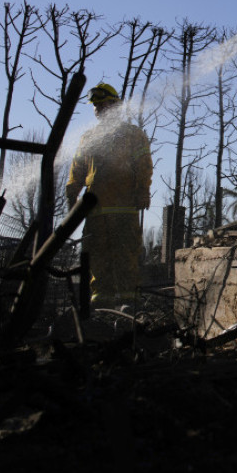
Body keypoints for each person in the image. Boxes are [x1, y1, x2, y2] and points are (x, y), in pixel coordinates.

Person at [65, 83, 153, 307]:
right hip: (95, 210)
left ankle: (128, 306)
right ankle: (100, 305)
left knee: (126, 257)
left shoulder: (132, 134)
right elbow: (77, 168)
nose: (97, 110)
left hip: (124, 208)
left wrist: (143, 191)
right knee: (97, 259)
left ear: (115, 106)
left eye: (101, 105)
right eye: (95, 106)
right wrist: (72, 192)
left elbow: (144, 165)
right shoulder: (88, 138)